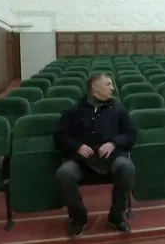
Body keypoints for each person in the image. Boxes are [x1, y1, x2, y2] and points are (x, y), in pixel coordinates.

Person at [54, 72, 137, 238]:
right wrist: (77, 146)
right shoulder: (74, 110)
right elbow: (59, 136)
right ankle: (79, 217)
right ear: (94, 88)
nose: (112, 88)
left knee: (127, 167)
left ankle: (116, 216)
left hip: (111, 158)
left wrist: (114, 143)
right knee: (64, 173)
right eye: (108, 84)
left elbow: (131, 133)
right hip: (82, 161)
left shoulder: (118, 109)